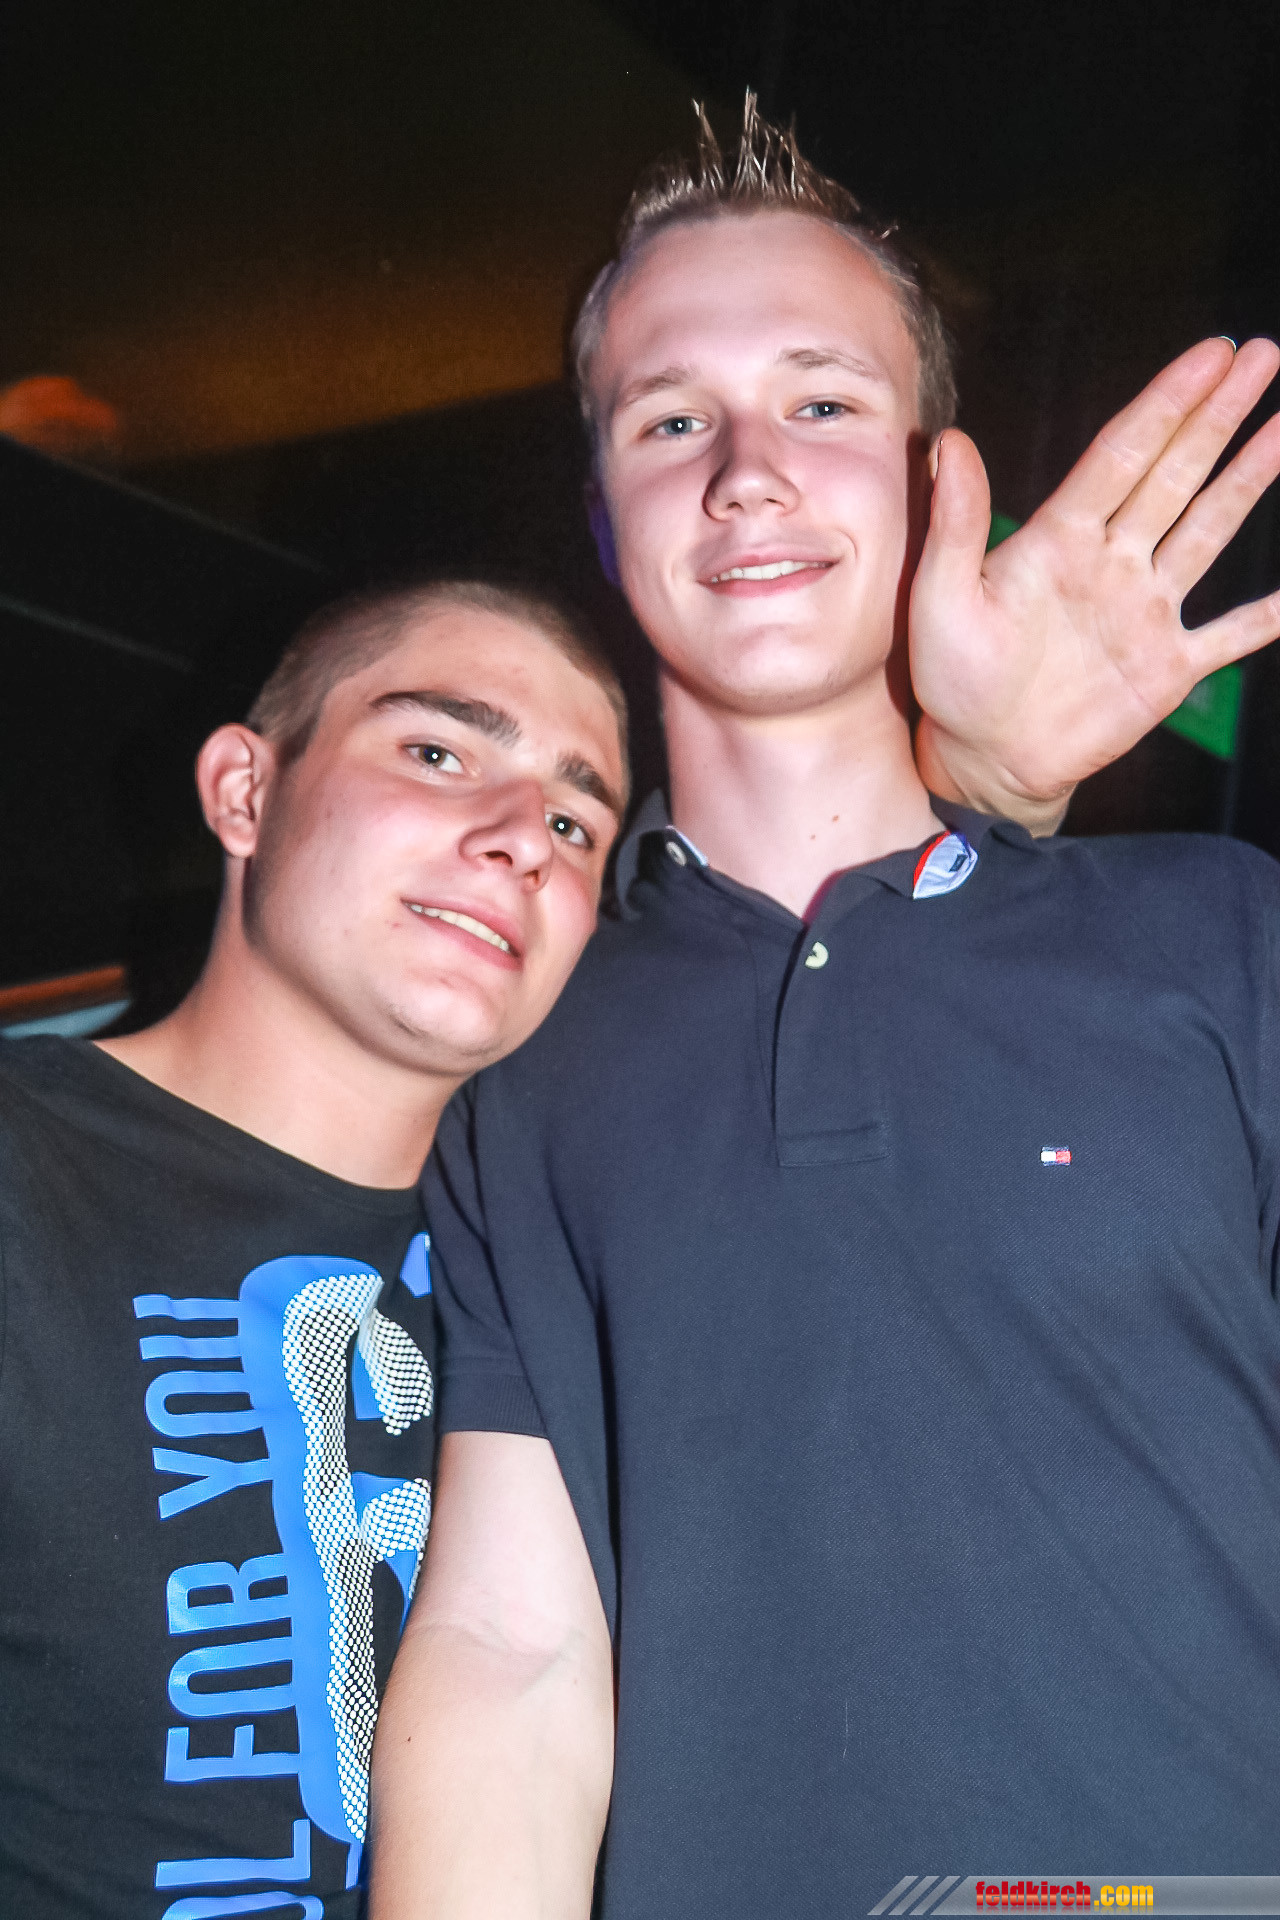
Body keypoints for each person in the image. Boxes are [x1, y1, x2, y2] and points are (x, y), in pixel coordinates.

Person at [369, 104, 1280, 1917]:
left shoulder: (1220, 932)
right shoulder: (519, 1046)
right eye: (670, 420)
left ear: (937, 484)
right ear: (604, 514)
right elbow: (509, 1647)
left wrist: (990, 801)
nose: (749, 473)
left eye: (824, 402)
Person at [0, 578, 630, 1919]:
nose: (524, 837)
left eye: (577, 822)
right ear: (245, 792)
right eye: (439, 752)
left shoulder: (567, 1281)